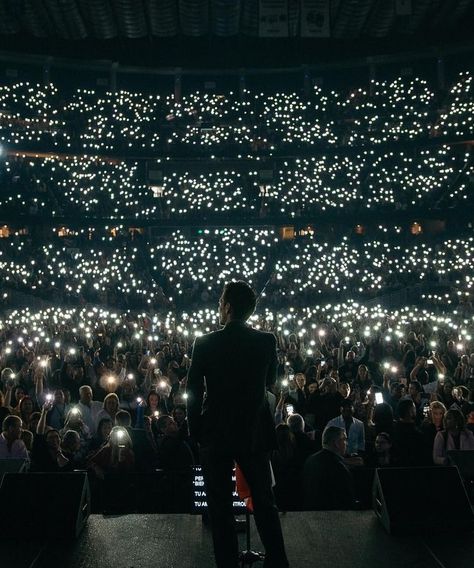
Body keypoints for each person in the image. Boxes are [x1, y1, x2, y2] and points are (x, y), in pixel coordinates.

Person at [187, 281, 289, 568]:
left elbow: (193, 390)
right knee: (264, 502)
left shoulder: (204, 343)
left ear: (228, 307)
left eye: (220, 302)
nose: (219, 308)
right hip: (254, 430)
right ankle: (278, 561)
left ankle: (227, 564)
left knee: (219, 507)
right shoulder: (266, 341)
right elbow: (270, 382)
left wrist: (195, 431)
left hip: (215, 433)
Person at [302, 425, 355, 510]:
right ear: (336, 443)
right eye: (344, 439)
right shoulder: (339, 467)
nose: (347, 443)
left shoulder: (310, 460)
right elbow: (347, 501)